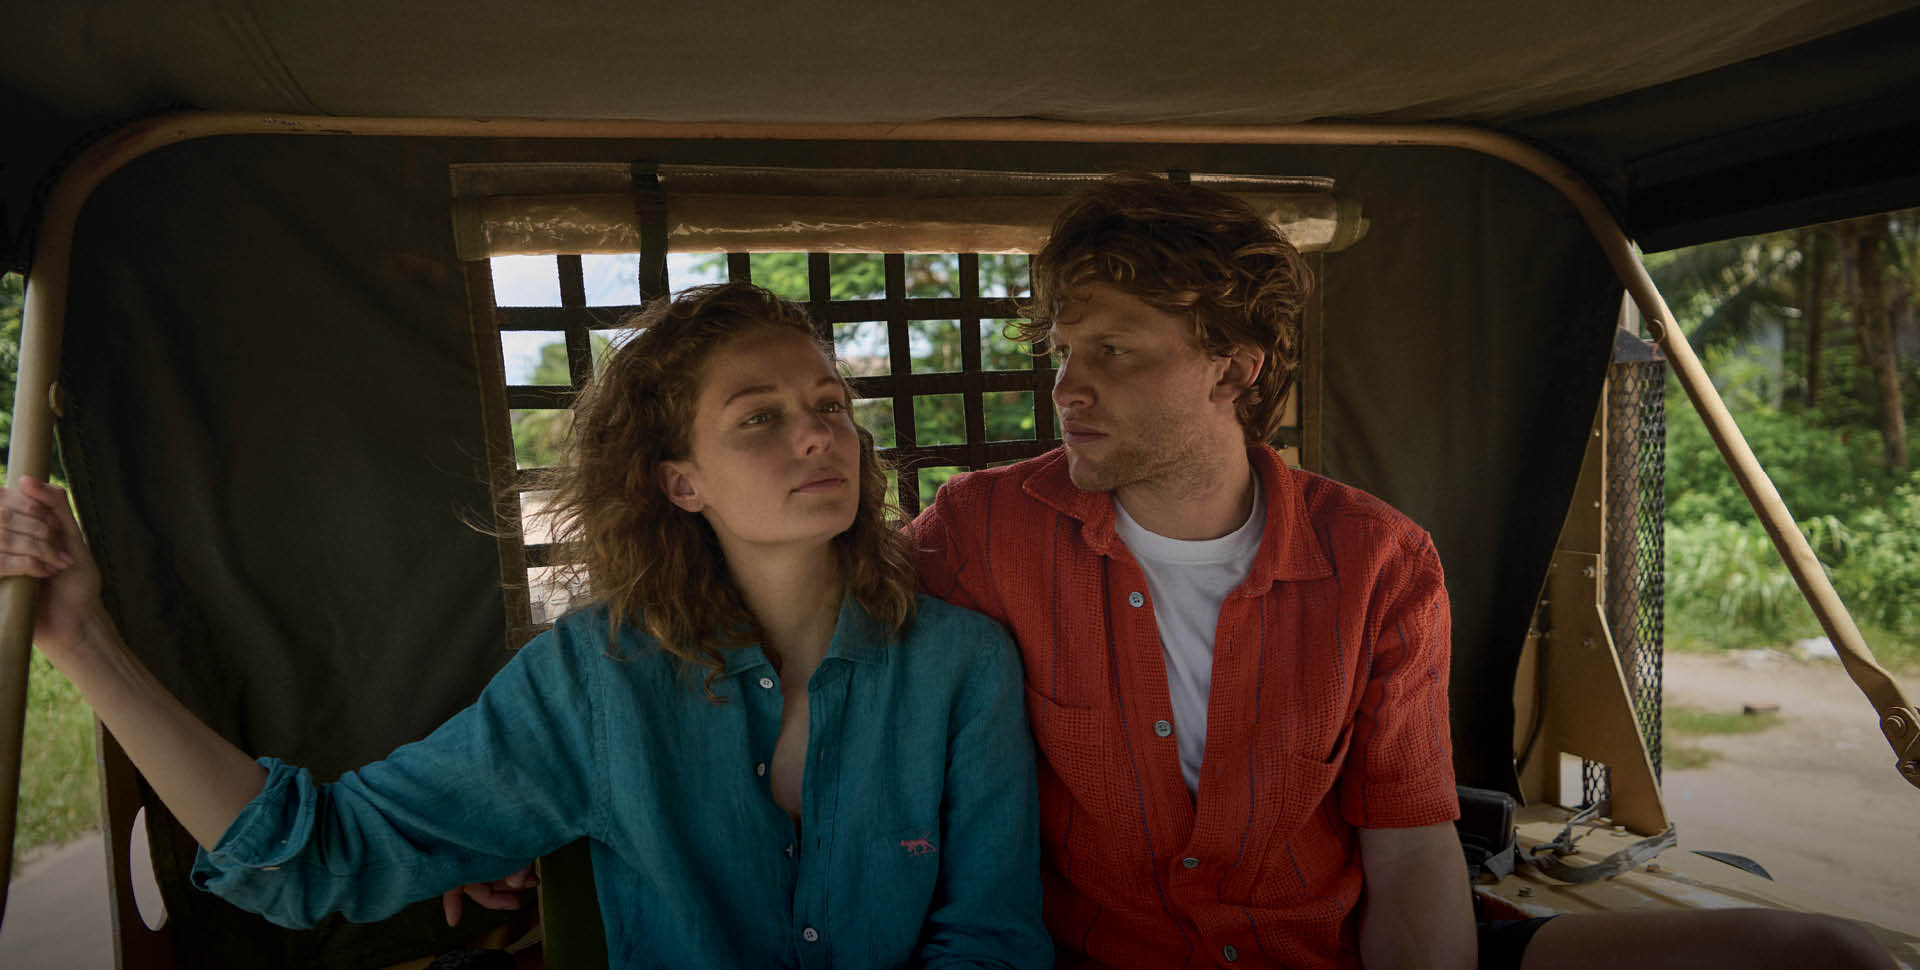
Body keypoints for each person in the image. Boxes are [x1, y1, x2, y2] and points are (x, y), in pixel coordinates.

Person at [908, 174, 1894, 970]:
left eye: (1112, 350)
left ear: (1234, 368)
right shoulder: (981, 530)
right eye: (1063, 349)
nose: (1066, 387)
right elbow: (816, 624)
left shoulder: (1378, 560)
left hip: (1343, 944)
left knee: (1823, 950)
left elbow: (1410, 839)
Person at [0, 283, 1052, 968]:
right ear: (681, 481)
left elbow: (991, 941)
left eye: (829, 403)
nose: (818, 435)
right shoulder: (597, 677)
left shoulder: (960, 662)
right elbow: (320, 856)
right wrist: (82, 641)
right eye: (760, 417)